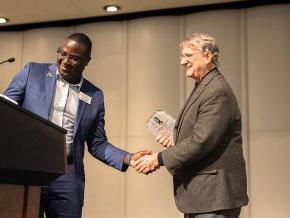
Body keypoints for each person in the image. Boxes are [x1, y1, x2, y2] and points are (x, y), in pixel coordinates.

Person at [3, 32, 149, 218]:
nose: (65, 61)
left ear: (87, 61)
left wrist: (129, 158)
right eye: (62, 53)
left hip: (67, 172)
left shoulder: (95, 95)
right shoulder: (33, 72)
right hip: (29, 168)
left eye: (74, 58)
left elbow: (97, 143)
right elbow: (6, 110)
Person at [134, 33, 249, 218]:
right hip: (204, 197)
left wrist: (159, 158)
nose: (182, 61)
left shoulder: (217, 91)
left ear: (208, 56)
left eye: (188, 55)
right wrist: (176, 139)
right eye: (182, 56)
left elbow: (202, 142)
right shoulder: (205, 86)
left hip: (214, 197)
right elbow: (205, 135)